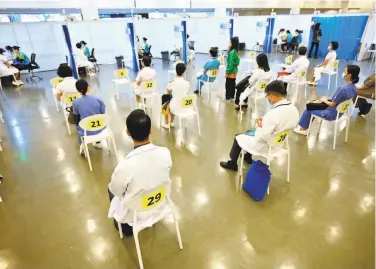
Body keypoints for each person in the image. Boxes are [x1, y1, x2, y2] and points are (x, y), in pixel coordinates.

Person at [108, 109, 172, 236]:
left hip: (137, 212)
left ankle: (125, 228)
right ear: (150, 131)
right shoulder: (165, 152)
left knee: (110, 190)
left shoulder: (124, 166)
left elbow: (116, 191)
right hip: (160, 204)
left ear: (127, 133)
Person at [220, 80, 299, 171]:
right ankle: (247, 157)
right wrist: (265, 123)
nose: (267, 98)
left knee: (238, 137)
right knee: (248, 132)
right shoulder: (294, 109)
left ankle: (232, 164)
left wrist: (261, 125)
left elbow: (260, 137)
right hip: (280, 144)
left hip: (267, 147)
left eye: (267, 96)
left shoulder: (273, 114)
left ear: (272, 95)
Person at [294, 65, 360, 135]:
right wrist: (324, 101)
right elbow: (338, 102)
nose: (343, 72)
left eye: (345, 71)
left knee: (309, 108)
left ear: (349, 75)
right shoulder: (354, 88)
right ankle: (304, 127)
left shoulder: (343, 89)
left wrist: (323, 100)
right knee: (313, 104)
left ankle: (303, 129)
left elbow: (333, 104)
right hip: (339, 112)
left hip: (331, 113)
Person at [72, 79, 106, 153]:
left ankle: (83, 145)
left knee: (80, 126)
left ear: (78, 90)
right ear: (88, 88)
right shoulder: (98, 99)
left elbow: (76, 118)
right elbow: (103, 113)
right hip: (100, 128)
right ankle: (98, 142)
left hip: (85, 131)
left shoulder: (76, 102)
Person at [162, 62, 190, 128]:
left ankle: (167, 123)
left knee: (165, 100)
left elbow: (167, 94)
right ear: (184, 71)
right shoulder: (187, 83)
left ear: (175, 71)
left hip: (175, 106)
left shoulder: (172, 83)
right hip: (185, 106)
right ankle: (171, 122)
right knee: (174, 101)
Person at [225, 36, 240, 101]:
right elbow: (237, 62)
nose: (229, 42)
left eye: (230, 41)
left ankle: (228, 98)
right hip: (235, 71)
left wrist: (227, 72)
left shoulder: (231, 52)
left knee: (228, 85)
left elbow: (230, 64)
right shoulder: (236, 51)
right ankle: (232, 96)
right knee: (233, 84)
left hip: (231, 71)